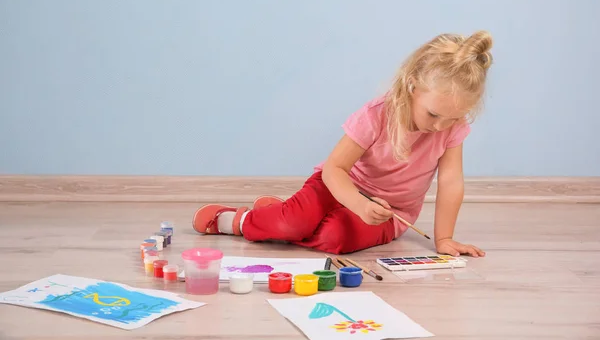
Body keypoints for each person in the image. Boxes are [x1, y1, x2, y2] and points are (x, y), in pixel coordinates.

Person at [192, 30, 492, 257]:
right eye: (434, 114)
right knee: (292, 225)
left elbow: (451, 182)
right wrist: (358, 202)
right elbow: (334, 169)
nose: (440, 126)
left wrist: (444, 239)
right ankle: (241, 220)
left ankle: (284, 216)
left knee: (334, 238)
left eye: (452, 119)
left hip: (389, 213)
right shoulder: (376, 115)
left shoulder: (452, 127)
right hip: (336, 188)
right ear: (413, 86)